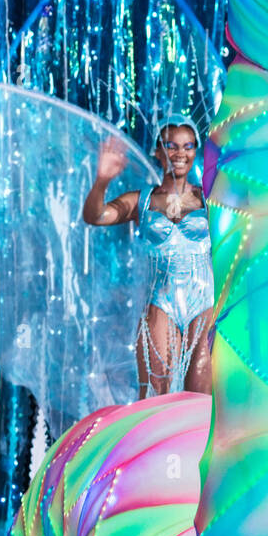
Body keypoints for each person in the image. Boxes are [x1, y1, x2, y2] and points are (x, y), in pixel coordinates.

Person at [83, 121, 214, 397]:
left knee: (201, 403)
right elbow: (95, 216)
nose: (180, 153)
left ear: (195, 152)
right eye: (172, 146)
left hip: (203, 305)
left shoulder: (209, 200)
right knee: (159, 399)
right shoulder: (141, 200)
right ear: (157, 152)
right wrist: (102, 179)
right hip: (161, 306)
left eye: (188, 146)